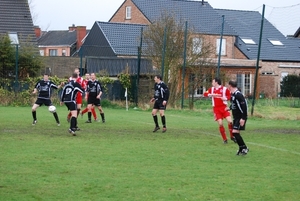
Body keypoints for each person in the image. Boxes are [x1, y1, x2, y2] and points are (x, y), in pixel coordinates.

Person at [203, 77, 236, 144]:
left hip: (224, 108)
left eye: (213, 82)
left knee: (230, 121)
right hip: (216, 109)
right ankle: (224, 139)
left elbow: (229, 96)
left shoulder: (224, 89)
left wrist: (225, 98)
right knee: (220, 123)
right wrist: (211, 95)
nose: (212, 83)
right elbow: (205, 94)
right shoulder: (211, 89)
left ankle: (232, 136)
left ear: (216, 82)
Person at [227, 80, 249, 155]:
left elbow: (244, 107)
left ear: (230, 86)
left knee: (234, 132)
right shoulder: (233, 95)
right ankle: (241, 148)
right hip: (236, 117)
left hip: (240, 117)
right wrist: (229, 108)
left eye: (228, 86)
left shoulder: (238, 95)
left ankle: (244, 148)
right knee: (236, 133)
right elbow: (234, 104)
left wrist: (243, 118)